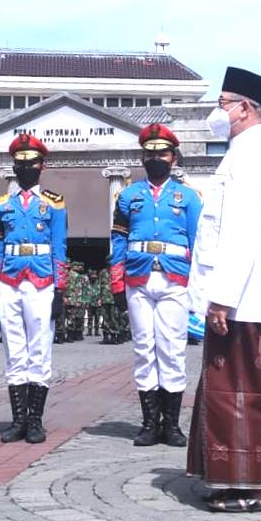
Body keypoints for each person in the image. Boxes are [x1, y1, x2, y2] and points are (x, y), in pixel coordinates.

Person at [186, 67, 261, 513]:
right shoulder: (243, 151)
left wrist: (224, 295)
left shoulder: (252, 154)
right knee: (227, 390)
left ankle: (260, 487)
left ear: (245, 108)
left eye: (222, 103)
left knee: (242, 393)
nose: (218, 112)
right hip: (239, 297)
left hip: (243, 300)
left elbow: (242, 230)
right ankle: (232, 479)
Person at [111, 123, 202, 448]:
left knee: (172, 348)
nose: (155, 159)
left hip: (175, 279)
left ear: (173, 158)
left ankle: (173, 425)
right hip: (138, 278)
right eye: (149, 154)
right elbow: (118, 241)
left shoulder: (190, 198)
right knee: (144, 349)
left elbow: (198, 244)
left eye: (161, 154)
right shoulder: (127, 196)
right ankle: (150, 423)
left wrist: (198, 289)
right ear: (142, 157)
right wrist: (117, 284)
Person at [0, 134, 68, 445]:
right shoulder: (0, 206)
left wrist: (60, 289)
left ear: (41, 166)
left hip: (41, 280)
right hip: (9, 281)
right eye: (20, 164)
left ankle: (35, 420)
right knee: (14, 349)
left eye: (31, 163)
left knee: (40, 348)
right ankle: (18, 419)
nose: (25, 168)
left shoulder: (53, 203)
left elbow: (59, 247)